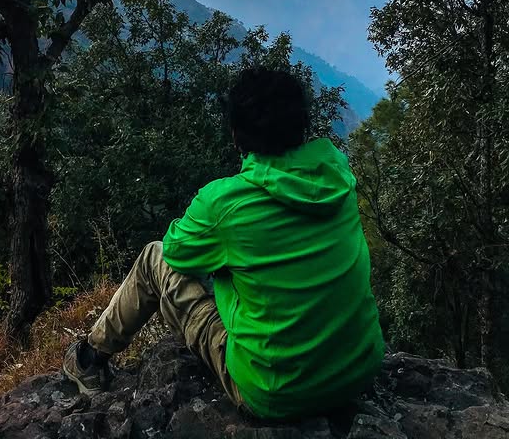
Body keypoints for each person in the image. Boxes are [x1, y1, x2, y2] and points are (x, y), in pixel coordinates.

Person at [63, 66, 385, 420]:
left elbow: (176, 252)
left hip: (277, 393)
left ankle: (88, 359)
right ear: (302, 126)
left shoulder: (224, 203)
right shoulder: (337, 171)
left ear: (236, 135)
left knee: (155, 258)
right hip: (358, 371)